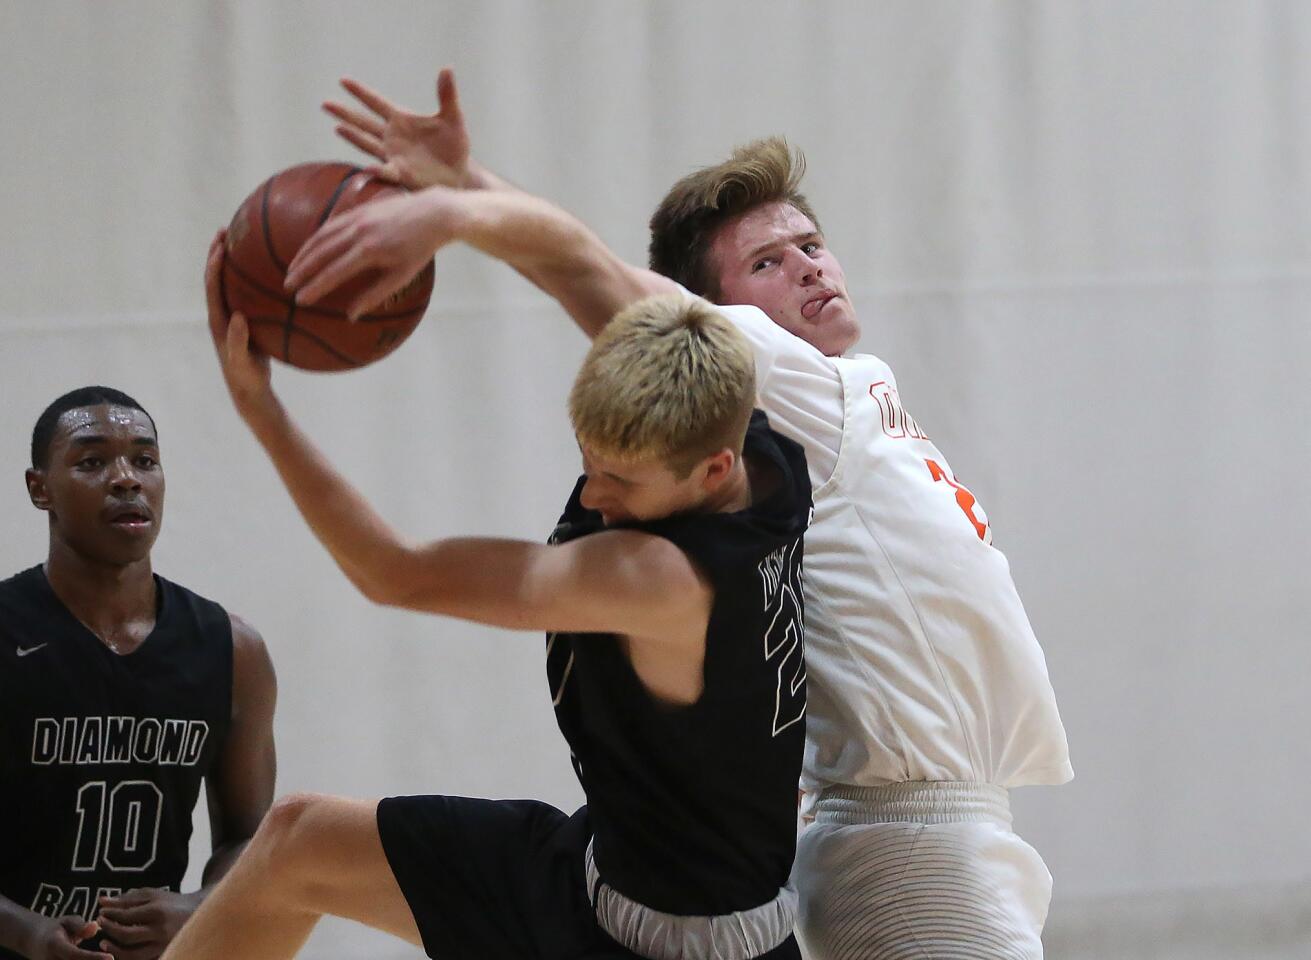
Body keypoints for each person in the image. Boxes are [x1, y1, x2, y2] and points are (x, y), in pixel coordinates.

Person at [288, 68, 1074, 959]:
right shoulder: (787, 394)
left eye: (811, 244)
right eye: (766, 263)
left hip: (937, 826)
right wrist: (462, 204)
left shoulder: (846, 402)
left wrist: (467, 191)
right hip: (905, 838)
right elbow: (591, 274)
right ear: (718, 316)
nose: (808, 266)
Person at [161, 236, 811, 960]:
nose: (594, 495)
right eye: (586, 463)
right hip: (601, 870)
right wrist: (444, 212)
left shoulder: (656, 579)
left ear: (710, 470)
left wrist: (262, 412)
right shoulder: (752, 441)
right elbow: (580, 272)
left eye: (620, 482)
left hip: (674, 947)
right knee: (299, 841)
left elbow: (395, 573)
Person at [0, 386, 278, 960]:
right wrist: (25, 931)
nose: (127, 478)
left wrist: (200, 906)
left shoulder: (233, 648)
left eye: (144, 460)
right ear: (39, 488)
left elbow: (250, 837)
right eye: (92, 461)